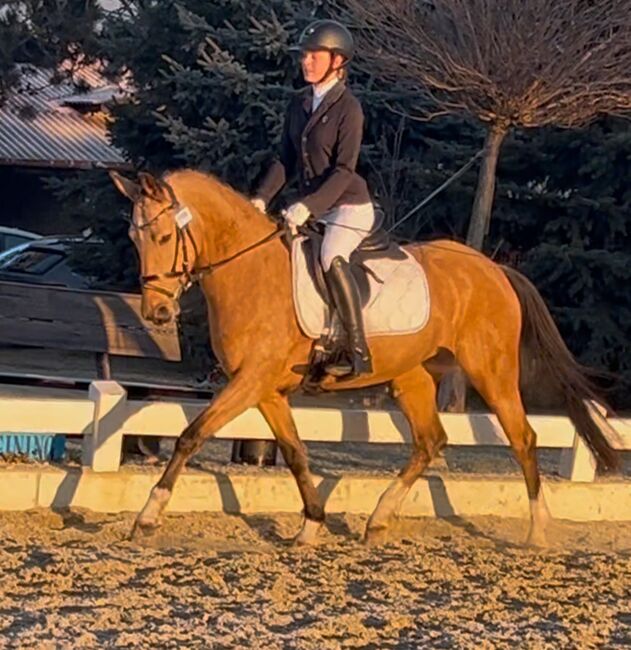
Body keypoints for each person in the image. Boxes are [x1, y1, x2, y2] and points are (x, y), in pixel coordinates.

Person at [252, 19, 375, 378]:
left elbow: (345, 170)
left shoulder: (348, 108)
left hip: (348, 207)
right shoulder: (299, 104)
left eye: (314, 56)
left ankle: (356, 349)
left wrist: (309, 205)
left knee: (330, 255)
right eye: (304, 56)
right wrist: (260, 198)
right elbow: (285, 160)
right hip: (313, 210)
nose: (306, 61)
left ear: (337, 61)